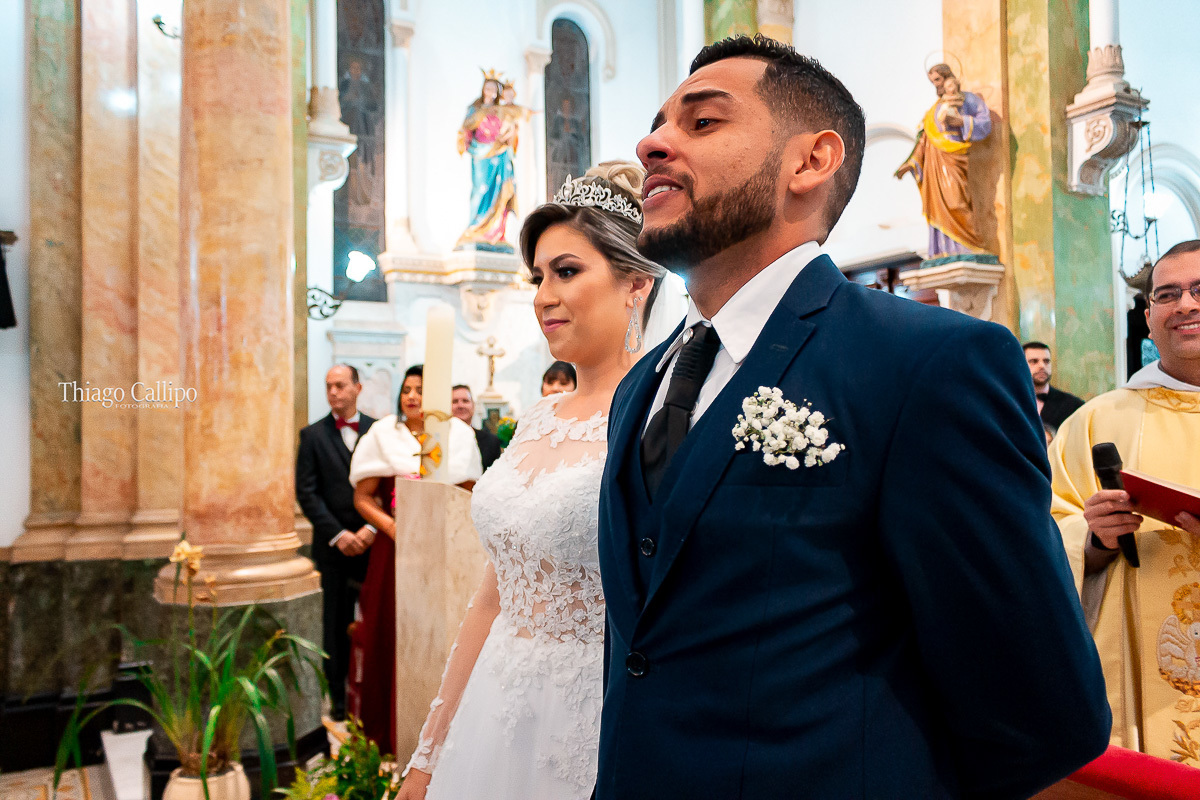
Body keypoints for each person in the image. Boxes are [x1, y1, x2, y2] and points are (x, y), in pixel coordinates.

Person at [596, 35, 1109, 800]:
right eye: (657, 126)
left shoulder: (928, 363)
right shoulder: (643, 384)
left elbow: (1038, 703)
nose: (651, 145)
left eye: (702, 122)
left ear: (811, 161)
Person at [395, 162, 668, 800]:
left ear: (636, 283)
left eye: (566, 272)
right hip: (494, 699)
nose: (543, 295)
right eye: (537, 277)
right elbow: (492, 598)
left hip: (591, 713)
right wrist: (430, 752)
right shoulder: (538, 416)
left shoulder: (658, 418)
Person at [1050, 239, 1200, 762]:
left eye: (1199, 290)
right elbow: (1039, 534)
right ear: (1149, 317)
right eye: (1167, 294)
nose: (1185, 305)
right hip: (1133, 673)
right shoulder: (1097, 421)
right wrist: (1093, 539)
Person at [347, 365, 483, 752]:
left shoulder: (458, 435)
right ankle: (386, 732)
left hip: (445, 549)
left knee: (442, 631)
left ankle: (442, 733)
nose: (411, 396)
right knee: (389, 629)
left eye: (420, 390)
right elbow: (363, 497)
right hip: (393, 549)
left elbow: (469, 493)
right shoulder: (383, 434)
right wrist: (395, 529)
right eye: (406, 389)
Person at [295, 365, 377, 721]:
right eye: (329, 386)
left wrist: (370, 529)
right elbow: (307, 493)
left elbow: (390, 486)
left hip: (373, 544)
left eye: (341, 385)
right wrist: (339, 535)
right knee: (334, 625)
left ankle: (373, 696)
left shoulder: (379, 430)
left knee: (376, 620)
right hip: (333, 549)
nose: (333, 392)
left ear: (358, 388)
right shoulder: (312, 435)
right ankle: (339, 699)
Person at [894, 62, 992, 257]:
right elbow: (924, 140)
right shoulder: (933, 110)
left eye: (938, 79)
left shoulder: (967, 99)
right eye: (933, 81)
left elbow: (985, 123)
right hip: (935, 162)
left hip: (955, 155)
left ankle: (970, 246)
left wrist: (961, 121)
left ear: (949, 78)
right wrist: (910, 163)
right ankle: (944, 249)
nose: (936, 85)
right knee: (938, 204)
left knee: (956, 202)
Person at [1024, 340, 1085, 430]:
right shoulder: (1011, 402)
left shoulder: (1074, 405)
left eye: (1046, 361)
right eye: (1034, 361)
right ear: (1021, 365)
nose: (1042, 366)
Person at [452, 383, 502, 470]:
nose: (460, 405)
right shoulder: (442, 440)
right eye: (455, 401)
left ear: (473, 406)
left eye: (465, 401)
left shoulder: (491, 442)